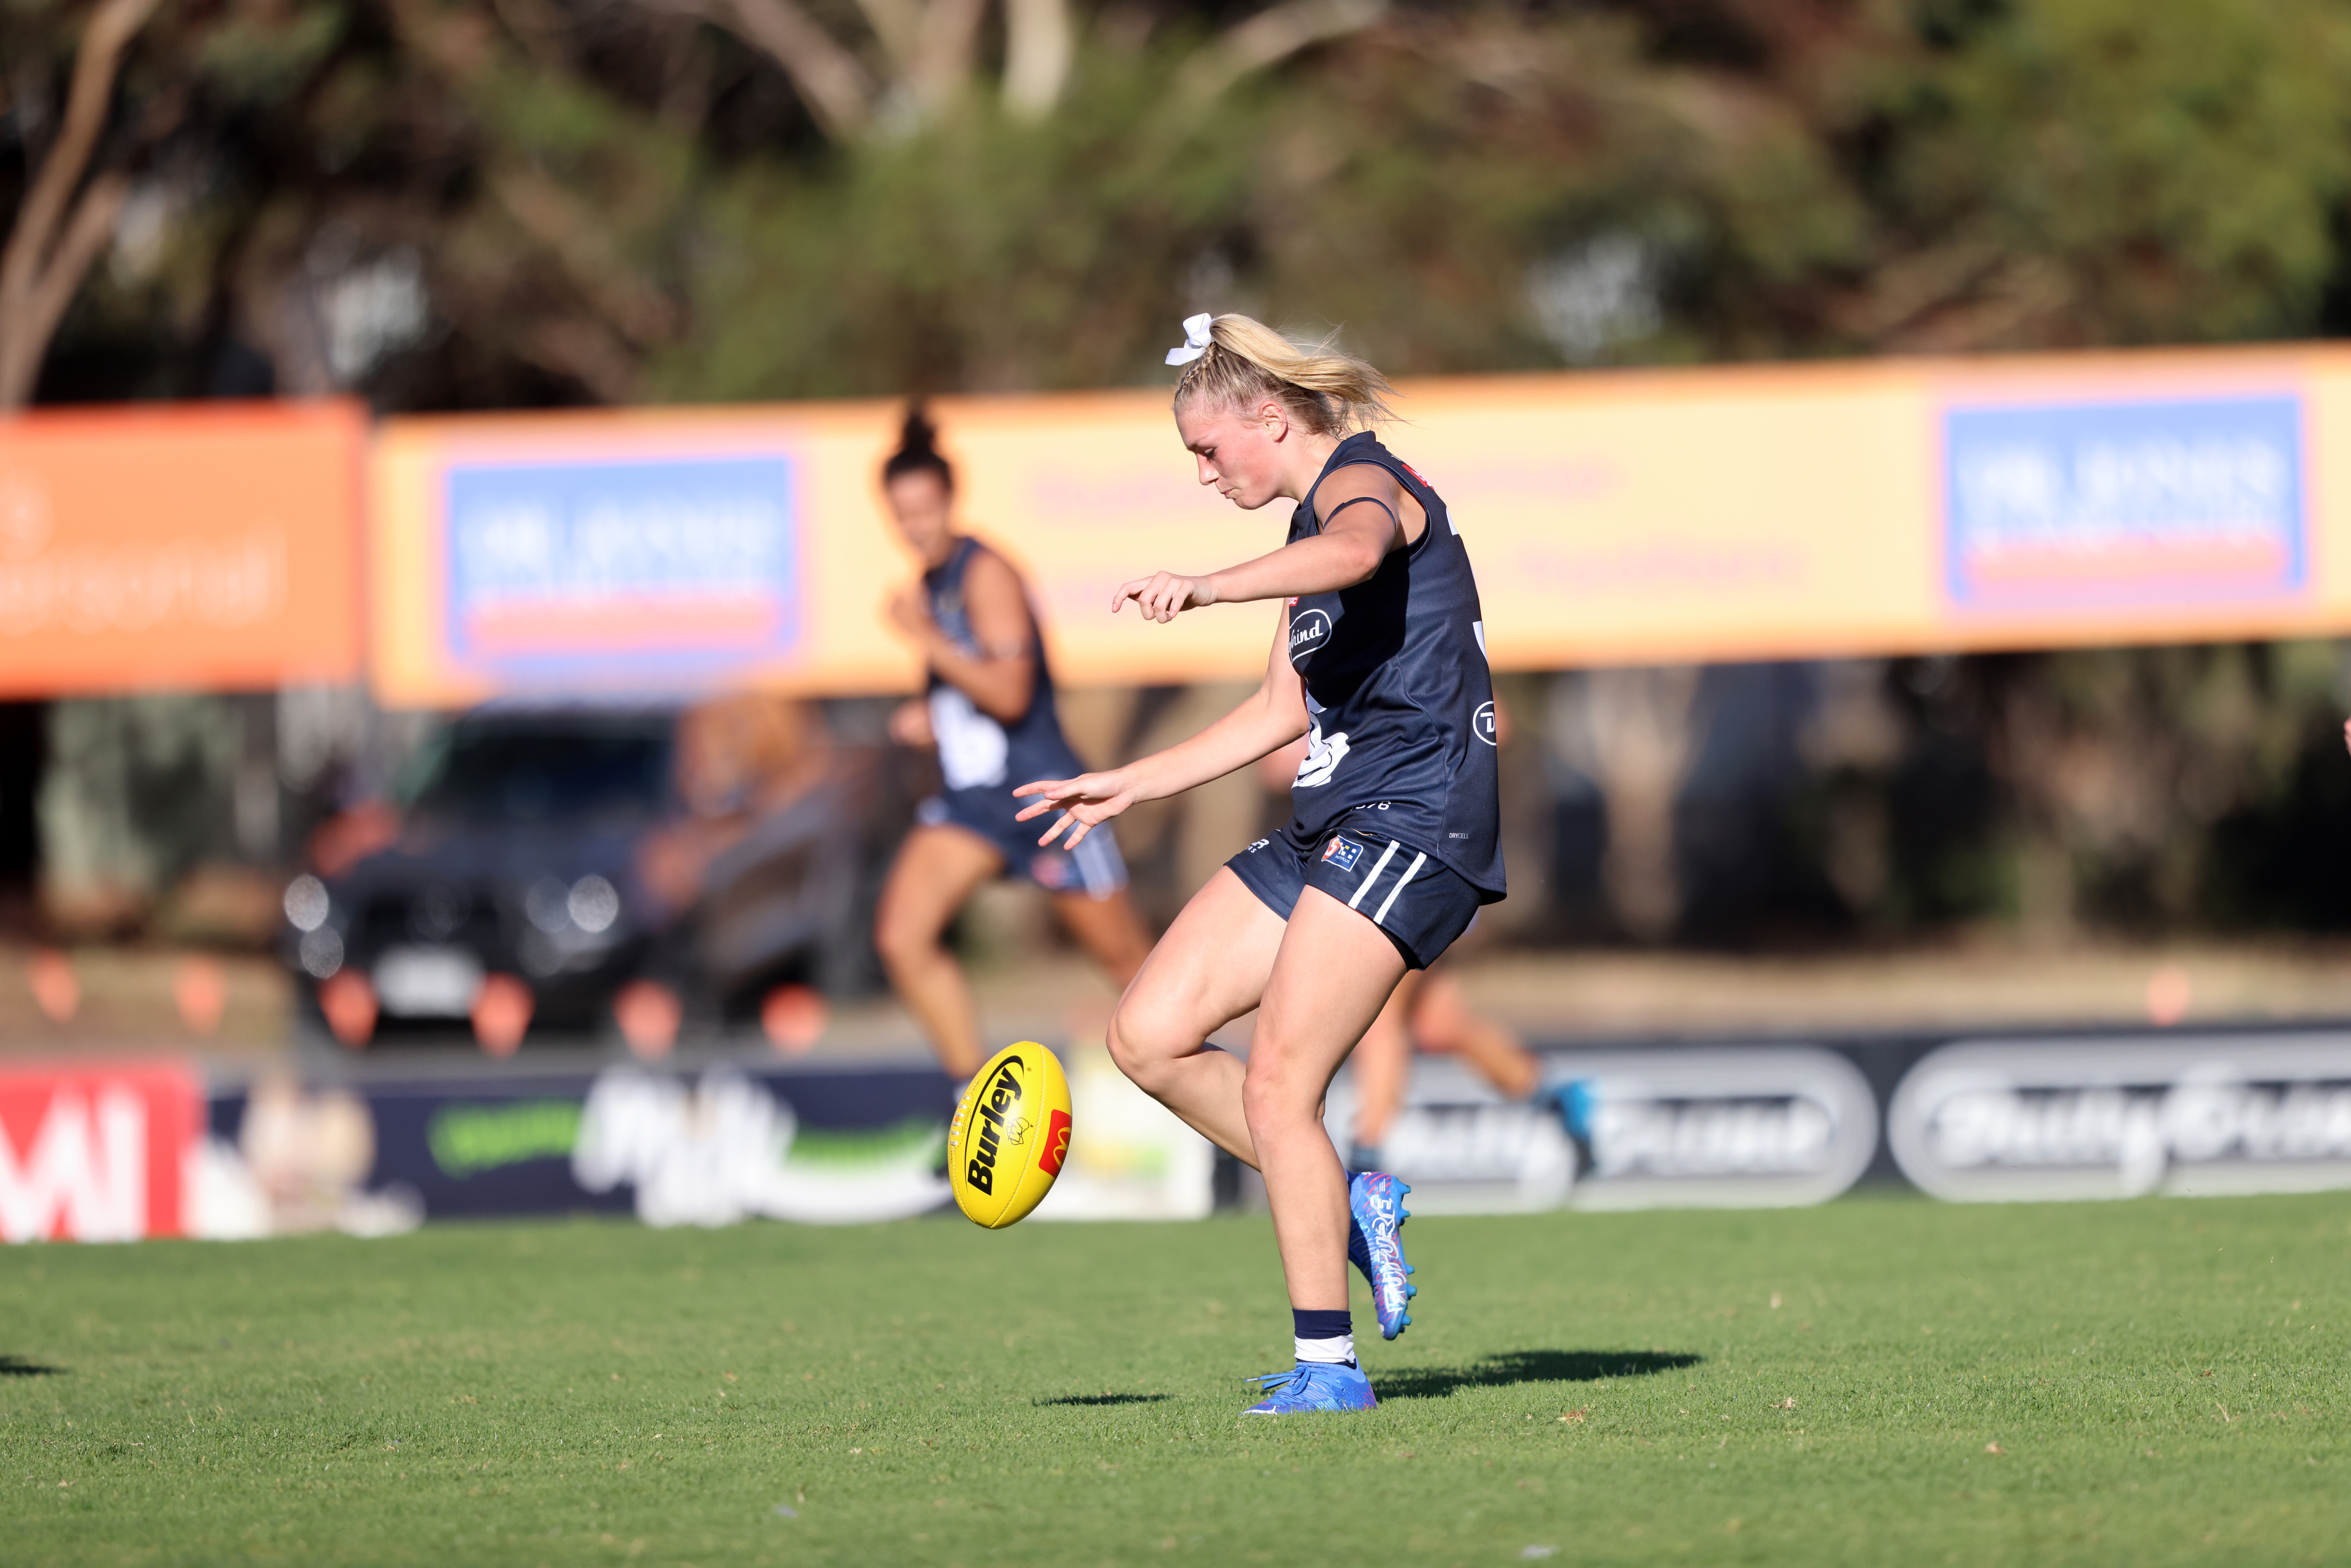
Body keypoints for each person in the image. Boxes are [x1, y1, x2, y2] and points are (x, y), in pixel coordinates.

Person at [1015, 314, 1504, 1415]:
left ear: (1268, 417)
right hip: (1327, 819)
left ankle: (1328, 1368)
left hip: (1413, 818)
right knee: (1144, 1035)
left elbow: (1358, 550)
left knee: (1282, 1084)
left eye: (1205, 449)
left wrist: (1206, 583)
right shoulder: (1301, 542)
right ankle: (1345, 1202)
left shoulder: (1364, 486)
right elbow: (1279, 712)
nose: (1200, 474)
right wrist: (1131, 781)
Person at [873, 405, 1155, 1082]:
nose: (914, 526)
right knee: (902, 938)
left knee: (1136, 974)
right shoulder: (932, 584)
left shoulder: (984, 573)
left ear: (950, 499)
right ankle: (975, 1110)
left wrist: (926, 640)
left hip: (1045, 799)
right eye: (901, 512)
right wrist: (933, 713)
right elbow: (973, 699)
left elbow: (1010, 694)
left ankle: (1235, 1101)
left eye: (925, 509)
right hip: (974, 805)